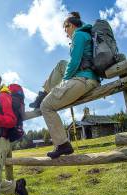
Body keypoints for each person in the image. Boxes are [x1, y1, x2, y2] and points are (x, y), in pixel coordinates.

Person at [29, 12, 99, 159]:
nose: (65, 33)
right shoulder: (85, 34)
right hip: (86, 76)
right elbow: (71, 63)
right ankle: (42, 94)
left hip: (83, 79)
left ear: (71, 26)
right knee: (61, 63)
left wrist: (64, 82)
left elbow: (74, 62)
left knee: (46, 106)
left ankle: (62, 144)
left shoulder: (78, 36)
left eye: (65, 29)